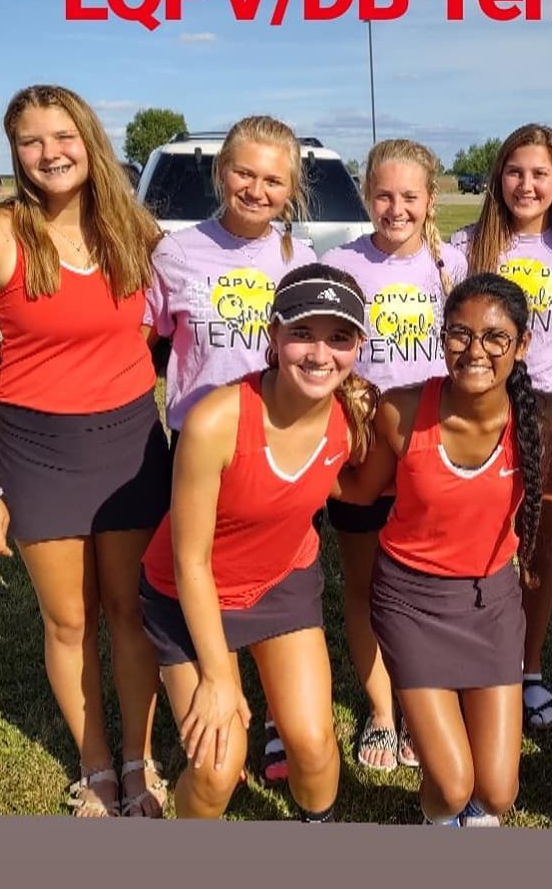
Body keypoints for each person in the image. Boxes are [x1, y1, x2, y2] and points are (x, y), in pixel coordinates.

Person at [0, 85, 170, 817]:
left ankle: (138, 760)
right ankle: (93, 765)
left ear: (88, 140)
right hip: (36, 452)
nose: (50, 153)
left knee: (129, 608)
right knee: (68, 620)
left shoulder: (135, 231)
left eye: (63, 136)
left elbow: (165, 326)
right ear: (15, 153)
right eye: (31, 141)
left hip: (128, 445)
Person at [139, 263, 376, 820]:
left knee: (313, 747)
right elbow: (190, 562)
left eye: (339, 338)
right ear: (273, 334)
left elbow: (370, 482)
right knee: (217, 769)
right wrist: (219, 676)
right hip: (187, 593)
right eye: (302, 333)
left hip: (280, 583)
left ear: (358, 347)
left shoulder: (351, 418)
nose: (320, 355)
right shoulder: (216, 421)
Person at [337, 272, 552, 825]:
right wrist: (289, 462)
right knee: (453, 784)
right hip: (410, 603)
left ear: (522, 345)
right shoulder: (403, 411)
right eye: (460, 334)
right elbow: (361, 490)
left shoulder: (543, 418)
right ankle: (438, 823)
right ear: (442, 338)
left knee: (499, 793)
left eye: (495, 337)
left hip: (492, 606)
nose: (475, 351)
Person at [142, 116, 316, 782]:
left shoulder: (300, 260)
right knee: (204, 570)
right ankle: (221, 696)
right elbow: (146, 339)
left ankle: (274, 714)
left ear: (291, 189)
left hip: (280, 447)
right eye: (245, 173)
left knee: (270, 573)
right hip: (200, 449)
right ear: (222, 173)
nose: (257, 189)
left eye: (273, 180)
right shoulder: (177, 253)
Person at [454, 124, 552, 730]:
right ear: (498, 177)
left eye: (539, 173)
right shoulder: (467, 249)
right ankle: (471, 660)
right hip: (479, 420)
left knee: (538, 548)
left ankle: (529, 669)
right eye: (515, 171)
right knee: (476, 546)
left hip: (550, 424)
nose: (526, 184)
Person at [320, 139, 467, 772]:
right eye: (383, 195)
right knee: (365, 584)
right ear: (365, 195)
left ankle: (419, 703)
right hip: (361, 449)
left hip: (434, 450)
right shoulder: (341, 263)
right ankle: (382, 710)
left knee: (427, 586)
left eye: (410, 196)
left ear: (431, 198)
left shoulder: (453, 264)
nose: (396, 208)